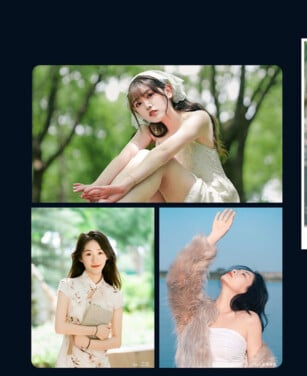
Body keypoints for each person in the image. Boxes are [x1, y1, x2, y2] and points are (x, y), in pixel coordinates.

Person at [73, 70, 239, 203]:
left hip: (213, 199)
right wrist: (95, 187)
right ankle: (102, 206)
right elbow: (123, 158)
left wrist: (125, 184)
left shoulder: (198, 118)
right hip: (174, 199)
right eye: (138, 104)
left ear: (168, 91)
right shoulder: (149, 131)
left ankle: (106, 211)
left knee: (155, 160)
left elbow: (164, 152)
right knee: (140, 156)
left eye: (150, 95)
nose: (147, 105)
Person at [166, 209, 276, 367]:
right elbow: (179, 279)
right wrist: (214, 236)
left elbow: (258, 364)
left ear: (247, 292)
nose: (236, 271)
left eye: (244, 275)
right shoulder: (194, 312)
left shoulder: (249, 319)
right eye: (238, 269)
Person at [54, 231, 123, 367]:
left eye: (100, 253)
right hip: (69, 363)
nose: (95, 260)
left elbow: (117, 341)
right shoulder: (67, 286)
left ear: (107, 256)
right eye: (88, 254)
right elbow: (59, 327)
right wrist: (95, 331)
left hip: (100, 364)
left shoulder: (114, 294)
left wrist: (88, 343)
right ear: (80, 258)